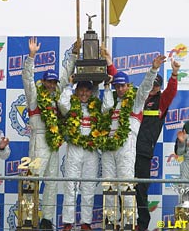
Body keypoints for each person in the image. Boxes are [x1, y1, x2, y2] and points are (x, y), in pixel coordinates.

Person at [101, 54, 166, 229]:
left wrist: (153, 69)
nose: (120, 89)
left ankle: (130, 222)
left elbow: (145, 87)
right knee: (108, 186)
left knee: (127, 186)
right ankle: (111, 222)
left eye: (123, 86)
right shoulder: (112, 102)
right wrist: (108, 82)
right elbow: (105, 109)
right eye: (117, 86)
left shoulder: (137, 101)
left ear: (129, 86)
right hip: (108, 147)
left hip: (126, 147)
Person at [22, 37, 78, 230]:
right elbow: (27, 78)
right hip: (38, 141)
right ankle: (27, 219)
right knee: (32, 179)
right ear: (43, 81)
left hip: (53, 144)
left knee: (52, 183)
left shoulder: (55, 96)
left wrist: (73, 55)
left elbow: (65, 76)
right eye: (49, 81)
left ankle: (46, 220)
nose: (52, 85)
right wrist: (31, 56)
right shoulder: (34, 96)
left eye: (54, 82)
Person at [58, 77, 113, 231]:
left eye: (86, 90)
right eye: (80, 89)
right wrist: (69, 85)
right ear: (76, 91)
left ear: (91, 92)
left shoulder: (96, 105)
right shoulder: (71, 105)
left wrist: (107, 86)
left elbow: (109, 106)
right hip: (74, 148)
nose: (83, 93)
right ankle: (68, 222)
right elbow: (62, 104)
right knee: (71, 185)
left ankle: (85, 222)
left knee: (88, 186)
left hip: (92, 151)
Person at [135, 58, 180, 231]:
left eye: (156, 85)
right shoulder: (138, 97)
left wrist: (174, 73)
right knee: (121, 187)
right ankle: (124, 221)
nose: (153, 88)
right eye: (151, 84)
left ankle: (142, 224)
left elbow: (171, 91)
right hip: (126, 149)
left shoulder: (161, 100)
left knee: (141, 190)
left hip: (144, 151)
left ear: (159, 87)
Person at [174, 121, 189, 202]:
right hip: (186, 166)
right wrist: (182, 142)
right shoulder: (187, 126)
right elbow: (179, 153)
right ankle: (185, 213)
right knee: (185, 190)